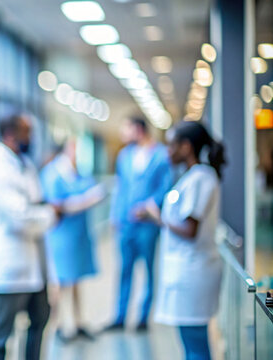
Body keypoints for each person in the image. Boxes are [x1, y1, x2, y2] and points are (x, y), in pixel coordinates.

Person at [0, 113, 61, 360]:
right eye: (27, 132)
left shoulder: (24, 164)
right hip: (9, 265)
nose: (31, 138)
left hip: (35, 265)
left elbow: (36, 202)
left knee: (40, 321)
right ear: (10, 134)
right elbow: (20, 217)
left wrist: (44, 211)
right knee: (3, 333)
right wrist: (50, 215)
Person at [136, 120, 225, 360]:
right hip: (187, 269)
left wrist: (156, 217)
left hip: (193, 271)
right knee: (191, 344)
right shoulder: (190, 177)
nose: (168, 151)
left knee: (195, 344)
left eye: (171, 145)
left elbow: (189, 229)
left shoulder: (202, 178)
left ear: (186, 147)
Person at [108, 117, 172, 331]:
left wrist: (149, 206)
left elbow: (166, 186)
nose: (123, 134)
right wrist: (114, 216)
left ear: (138, 129)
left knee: (148, 269)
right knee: (124, 270)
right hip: (126, 223)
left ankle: (143, 317)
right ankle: (120, 316)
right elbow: (120, 188)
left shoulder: (161, 155)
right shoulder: (125, 156)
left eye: (126, 129)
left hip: (148, 223)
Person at [40, 139, 106, 341]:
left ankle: (78, 323)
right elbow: (56, 205)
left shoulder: (75, 172)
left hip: (77, 235)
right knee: (59, 282)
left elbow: (87, 188)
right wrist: (85, 201)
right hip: (61, 235)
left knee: (76, 279)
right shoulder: (53, 173)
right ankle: (56, 326)